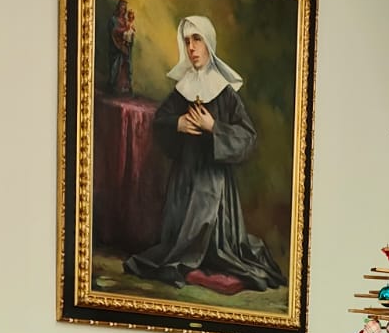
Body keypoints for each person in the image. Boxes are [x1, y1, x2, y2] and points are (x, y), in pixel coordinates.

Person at [122, 15, 288, 292]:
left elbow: (248, 138)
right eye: (187, 41)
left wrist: (214, 127)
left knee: (215, 240)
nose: (191, 48)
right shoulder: (182, 89)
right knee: (177, 242)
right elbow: (161, 121)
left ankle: (204, 255)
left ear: (208, 43)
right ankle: (184, 257)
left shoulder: (224, 93)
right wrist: (178, 123)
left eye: (197, 39)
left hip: (214, 182)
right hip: (184, 177)